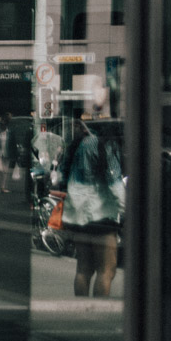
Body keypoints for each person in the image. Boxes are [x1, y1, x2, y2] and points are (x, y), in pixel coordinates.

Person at [53, 118, 125, 297]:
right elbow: (115, 183)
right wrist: (126, 211)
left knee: (83, 269)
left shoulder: (77, 145)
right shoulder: (104, 145)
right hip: (101, 215)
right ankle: (98, 318)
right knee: (106, 270)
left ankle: (81, 313)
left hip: (77, 215)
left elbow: (62, 177)